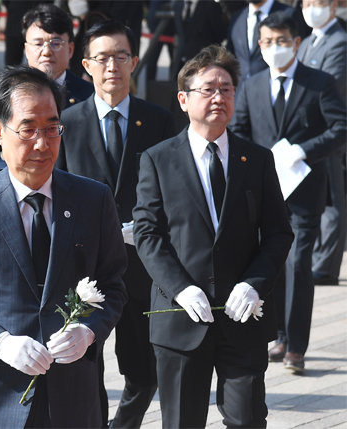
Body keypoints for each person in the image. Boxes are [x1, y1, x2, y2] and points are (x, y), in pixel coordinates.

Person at [0, 65, 127, 428]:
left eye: (52, 129)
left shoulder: (93, 199)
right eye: (29, 129)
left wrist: (89, 331)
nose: (42, 142)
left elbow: (113, 284)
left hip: (72, 400)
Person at [133, 45, 293, 428]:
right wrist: (181, 288)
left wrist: (255, 285)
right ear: (184, 99)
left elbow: (278, 232)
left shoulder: (256, 158)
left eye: (227, 88)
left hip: (242, 318)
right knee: (182, 422)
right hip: (181, 318)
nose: (219, 97)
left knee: (247, 419)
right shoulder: (158, 159)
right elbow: (148, 233)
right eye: (208, 89)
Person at [56, 20, 175, 428]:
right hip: (84, 268)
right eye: (102, 58)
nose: (112, 66)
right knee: (86, 369)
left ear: (135, 62)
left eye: (120, 56)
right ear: (85, 65)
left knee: (143, 373)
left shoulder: (159, 121)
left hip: (143, 267)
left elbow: (174, 193)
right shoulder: (66, 123)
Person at [230, 12, 346, 373]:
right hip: (266, 191)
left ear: (296, 43)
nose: (274, 48)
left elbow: (340, 127)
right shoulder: (252, 85)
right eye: (267, 42)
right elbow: (239, 131)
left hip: (305, 191)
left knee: (298, 264)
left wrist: (304, 150)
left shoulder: (319, 83)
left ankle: (296, 346)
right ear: (259, 44)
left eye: (282, 41)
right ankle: (277, 335)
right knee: (272, 263)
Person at [0, 3, 93, 175]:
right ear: (26, 49)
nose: (46, 52)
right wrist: (17, 178)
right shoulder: (5, 91)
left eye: (56, 43)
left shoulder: (89, 94)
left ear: (71, 49)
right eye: (38, 43)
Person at [298, 0, 347, 285]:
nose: (311, 8)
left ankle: (327, 266)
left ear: (332, 7)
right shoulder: (307, 42)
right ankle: (317, 257)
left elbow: (329, 84)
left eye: (318, 2)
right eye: (306, 3)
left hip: (327, 130)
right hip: (305, 133)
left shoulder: (339, 42)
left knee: (332, 199)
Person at [227, 0, 308, 83]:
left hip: (279, 85)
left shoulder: (289, 14)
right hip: (242, 88)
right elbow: (231, 55)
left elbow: (301, 52)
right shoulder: (237, 18)